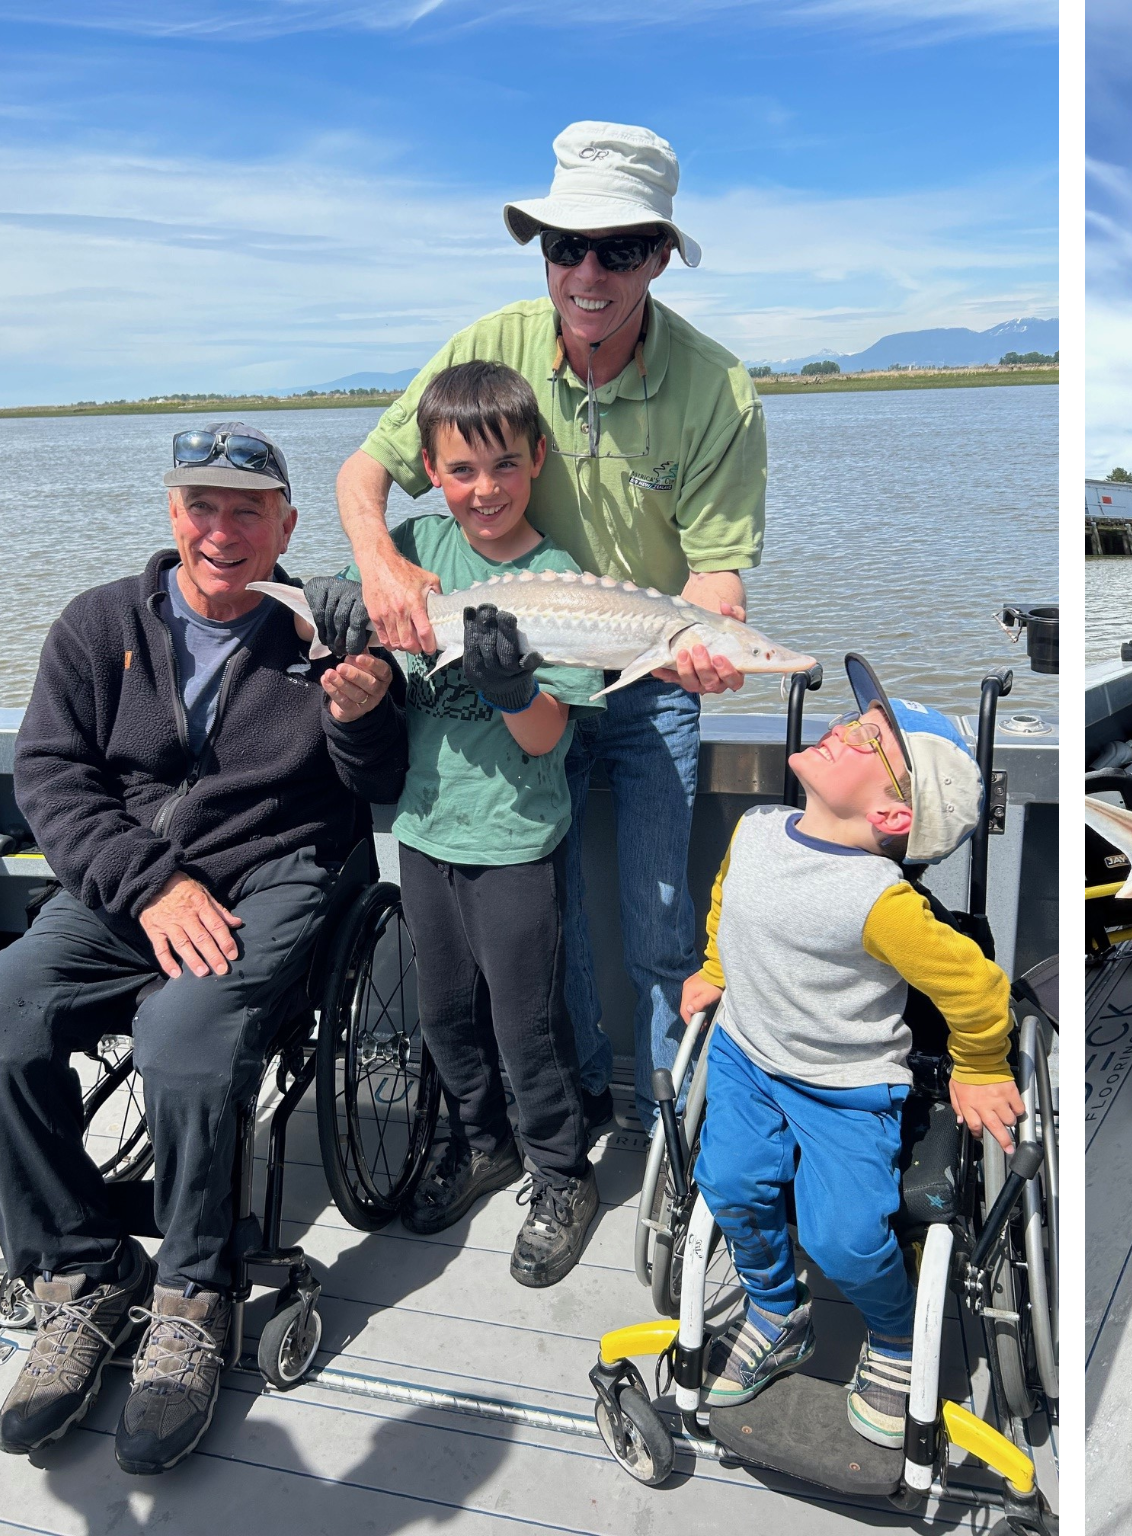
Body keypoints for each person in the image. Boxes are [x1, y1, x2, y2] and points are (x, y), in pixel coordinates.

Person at [337, 121, 768, 1138]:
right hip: (513, 671)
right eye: (564, 244)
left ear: (661, 255)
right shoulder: (486, 348)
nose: (587, 272)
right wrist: (382, 565)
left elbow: (715, 575)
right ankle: (570, 1119)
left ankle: (674, 1133)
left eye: (619, 248)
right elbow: (366, 475)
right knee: (556, 929)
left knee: (664, 926)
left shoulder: (718, 388)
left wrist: (713, 641)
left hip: (646, 678)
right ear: (540, 249)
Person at [0, 425, 405, 1473]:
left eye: (247, 510)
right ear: (171, 511)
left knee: (184, 1038)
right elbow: (51, 777)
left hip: (278, 872)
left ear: (287, 524)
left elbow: (382, 784)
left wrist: (362, 711)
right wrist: (148, 884)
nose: (221, 531)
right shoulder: (97, 623)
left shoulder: (329, 623)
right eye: (201, 506)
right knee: (7, 1008)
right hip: (132, 878)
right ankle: (81, 1275)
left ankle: (193, 1295)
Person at [680, 657, 1023, 1449]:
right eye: (858, 722)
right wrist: (715, 968)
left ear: (896, 818)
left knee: (844, 1237)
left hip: (843, 1086)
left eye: (873, 740)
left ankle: (898, 1338)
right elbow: (730, 901)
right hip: (745, 1055)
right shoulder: (757, 828)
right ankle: (775, 1308)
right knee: (725, 1180)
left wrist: (980, 1066)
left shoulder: (881, 902)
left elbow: (977, 990)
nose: (846, 728)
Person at [336, 361, 606, 1284]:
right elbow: (350, 615)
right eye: (460, 471)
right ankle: (482, 1140)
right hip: (423, 831)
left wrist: (512, 686)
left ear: (536, 461)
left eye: (503, 468)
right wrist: (349, 633)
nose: (483, 490)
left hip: (517, 842)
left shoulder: (561, 578)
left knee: (524, 1023)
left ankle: (563, 1172)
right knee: (446, 1015)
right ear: (430, 470)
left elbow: (545, 737)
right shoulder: (412, 550)